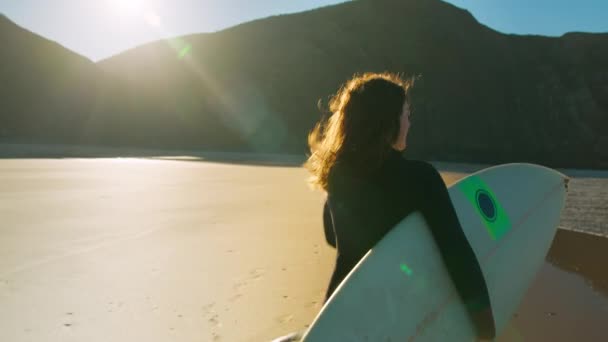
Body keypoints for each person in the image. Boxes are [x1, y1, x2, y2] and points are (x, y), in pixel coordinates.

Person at [303, 72, 496, 340]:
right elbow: (457, 255)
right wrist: (485, 328)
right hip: (394, 319)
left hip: (341, 310)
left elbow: (331, 236)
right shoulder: (421, 178)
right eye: (406, 114)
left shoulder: (338, 174)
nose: (409, 122)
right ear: (389, 122)